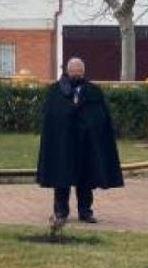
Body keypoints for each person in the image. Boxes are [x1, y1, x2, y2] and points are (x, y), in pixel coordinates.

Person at [36, 58, 124, 223]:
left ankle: (85, 211)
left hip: (86, 144)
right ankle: (61, 211)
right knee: (61, 179)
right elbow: (50, 117)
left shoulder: (93, 91)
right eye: (73, 71)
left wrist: (91, 127)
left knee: (86, 178)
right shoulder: (55, 91)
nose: (76, 74)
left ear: (84, 72)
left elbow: (101, 118)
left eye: (79, 72)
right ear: (68, 72)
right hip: (63, 144)